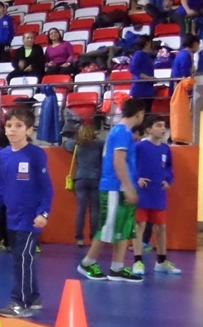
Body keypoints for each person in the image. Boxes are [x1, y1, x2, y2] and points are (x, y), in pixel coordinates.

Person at [0, 110, 53, 318]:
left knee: (22, 259)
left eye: (18, 126)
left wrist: (43, 213)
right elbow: (1, 187)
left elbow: (47, 188)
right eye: (9, 126)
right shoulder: (2, 155)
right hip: (12, 216)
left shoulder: (36, 154)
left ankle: (20, 302)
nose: (12, 130)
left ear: (29, 130)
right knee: (22, 258)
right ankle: (33, 297)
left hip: (30, 217)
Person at [77, 97, 146, 282]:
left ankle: (117, 267)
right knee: (107, 227)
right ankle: (87, 263)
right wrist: (129, 187)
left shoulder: (122, 132)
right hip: (115, 188)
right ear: (139, 113)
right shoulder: (122, 132)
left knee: (123, 228)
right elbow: (118, 161)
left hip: (121, 187)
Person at [132, 115, 181, 276]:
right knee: (139, 226)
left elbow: (169, 168)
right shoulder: (139, 147)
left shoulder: (166, 149)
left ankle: (161, 261)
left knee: (161, 227)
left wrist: (168, 180)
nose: (163, 128)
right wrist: (136, 179)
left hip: (158, 194)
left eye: (164, 126)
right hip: (143, 194)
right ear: (148, 129)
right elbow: (129, 165)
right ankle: (138, 261)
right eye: (158, 125)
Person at [63, 124, 103, 247]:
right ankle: (94, 237)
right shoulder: (99, 144)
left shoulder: (76, 144)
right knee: (95, 210)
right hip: (96, 178)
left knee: (81, 209)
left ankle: (79, 238)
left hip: (80, 178)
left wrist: (76, 137)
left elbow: (65, 143)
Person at [127, 35, 157, 112]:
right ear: (147, 43)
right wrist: (148, 78)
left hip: (147, 90)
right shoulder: (139, 54)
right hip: (140, 90)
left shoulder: (147, 56)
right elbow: (133, 69)